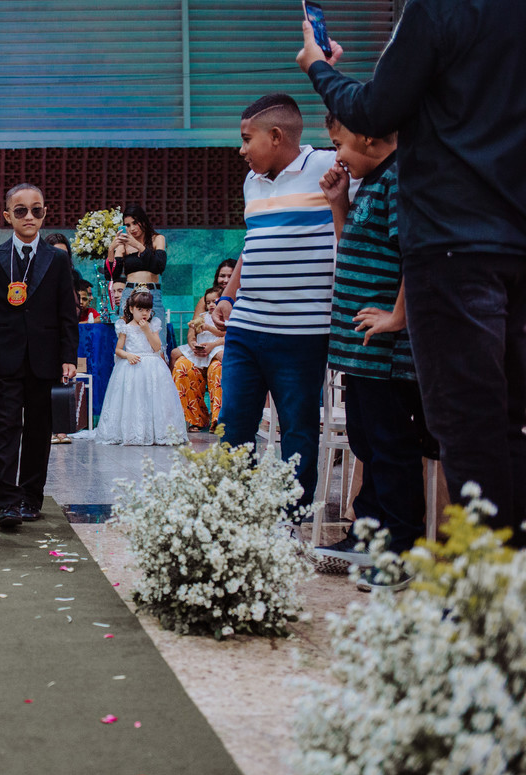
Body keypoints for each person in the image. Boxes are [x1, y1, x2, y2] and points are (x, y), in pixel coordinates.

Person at [298, 1, 526, 539]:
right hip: (515, 237)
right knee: (512, 420)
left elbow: (376, 109)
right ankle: (509, 570)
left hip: (452, 240)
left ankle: (484, 577)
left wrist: (318, 68)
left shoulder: (441, 8)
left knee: (468, 421)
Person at [310, 114, 433, 582]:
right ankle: (369, 532)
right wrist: (339, 203)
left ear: (367, 136)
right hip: (359, 350)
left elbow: (417, 253)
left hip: (385, 354)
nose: (336, 155)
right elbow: (355, 247)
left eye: (338, 143)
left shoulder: (399, 178)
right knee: (367, 442)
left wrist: (397, 316)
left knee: (391, 447)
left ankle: (400, 548)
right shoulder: (370, 183)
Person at [212, 94, 344, 508]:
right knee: (232, 427)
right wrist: (229, 296)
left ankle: (292, 517)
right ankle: (234, 513)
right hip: (246, 328)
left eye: (246, 139)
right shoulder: (252, 182)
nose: (241, 150)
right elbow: (252, 244)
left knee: (298, 432)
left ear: (275, 136)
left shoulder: (329, 166)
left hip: (303, 332)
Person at [0, 183, 78, 529]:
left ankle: (31, 498)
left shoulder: (57, 259)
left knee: (38, 430)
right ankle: (6, 502)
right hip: (5, 356)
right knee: (6, 429)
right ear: (8, 216)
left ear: (44, 213)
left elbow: (67, 311)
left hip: (45, 358)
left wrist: (68, 356)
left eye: (36, 209)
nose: (29, 216)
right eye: (21, 210)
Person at [88, 289, 186, 446]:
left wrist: (147, 330)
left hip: (152, 366)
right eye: (140, 309)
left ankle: (156, 432)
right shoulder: (125, 327)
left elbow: (157, 347)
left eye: (147, 309)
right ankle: (134, 432)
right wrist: (128, 355)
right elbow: (118, 350)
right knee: (134, 399)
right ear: (131, 309)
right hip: (132, 366)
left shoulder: (153, 325)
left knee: (153, 399)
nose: (144, 313)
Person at [108, 204, 168, 351]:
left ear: (143, 221)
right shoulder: (123, 245)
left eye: (135, 223)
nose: (132, 228)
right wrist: (111, 249)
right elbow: (112, 275)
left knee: (158, 341)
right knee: (128, 341)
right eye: (128, 225)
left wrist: (138, 245)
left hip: (152, 293)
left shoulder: (157, 239)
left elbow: (159, 267)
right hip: (130, 293)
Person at [171, 287, 226, 432]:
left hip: (217, 346)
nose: (211, 305)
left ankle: (219, 420)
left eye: (214, 302)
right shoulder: (203, 315)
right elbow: (192, 332)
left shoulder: (224, 316)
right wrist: (194, 342)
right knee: (180, 361)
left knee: (220, 365)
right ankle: (194, 417)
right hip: (202, 347)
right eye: (208, 302)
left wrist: (209, 331)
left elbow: (226, 333)